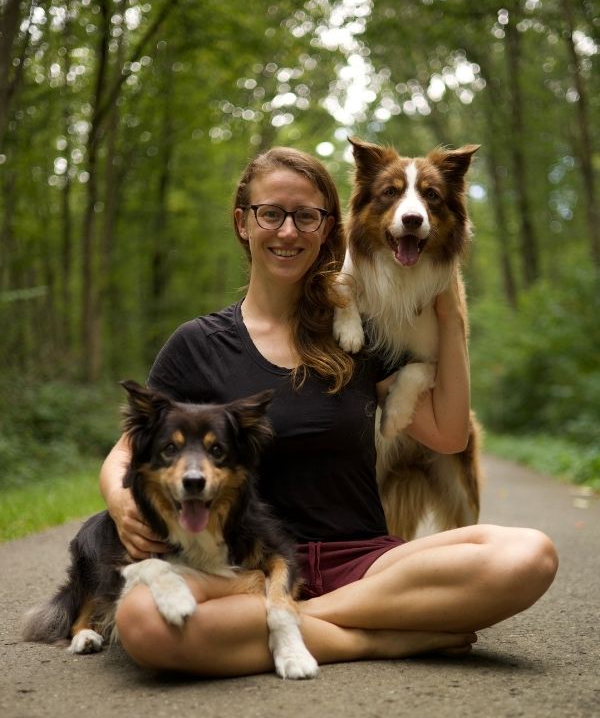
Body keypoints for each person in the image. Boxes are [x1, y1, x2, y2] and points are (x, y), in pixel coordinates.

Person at [101, 146, 558, 677]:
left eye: (307, 216)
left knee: (528, 555)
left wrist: (451, 317)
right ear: (242, 223)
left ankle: (294, 621)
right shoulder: (198, 344)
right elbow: (124, 455)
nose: (288, 232)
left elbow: (451, 436)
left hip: (365, 563)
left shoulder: (360, 331)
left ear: (328, 227)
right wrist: (119, 503)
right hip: (246, 564)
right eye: (271, 213)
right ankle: (378, 639)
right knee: (142, 621)